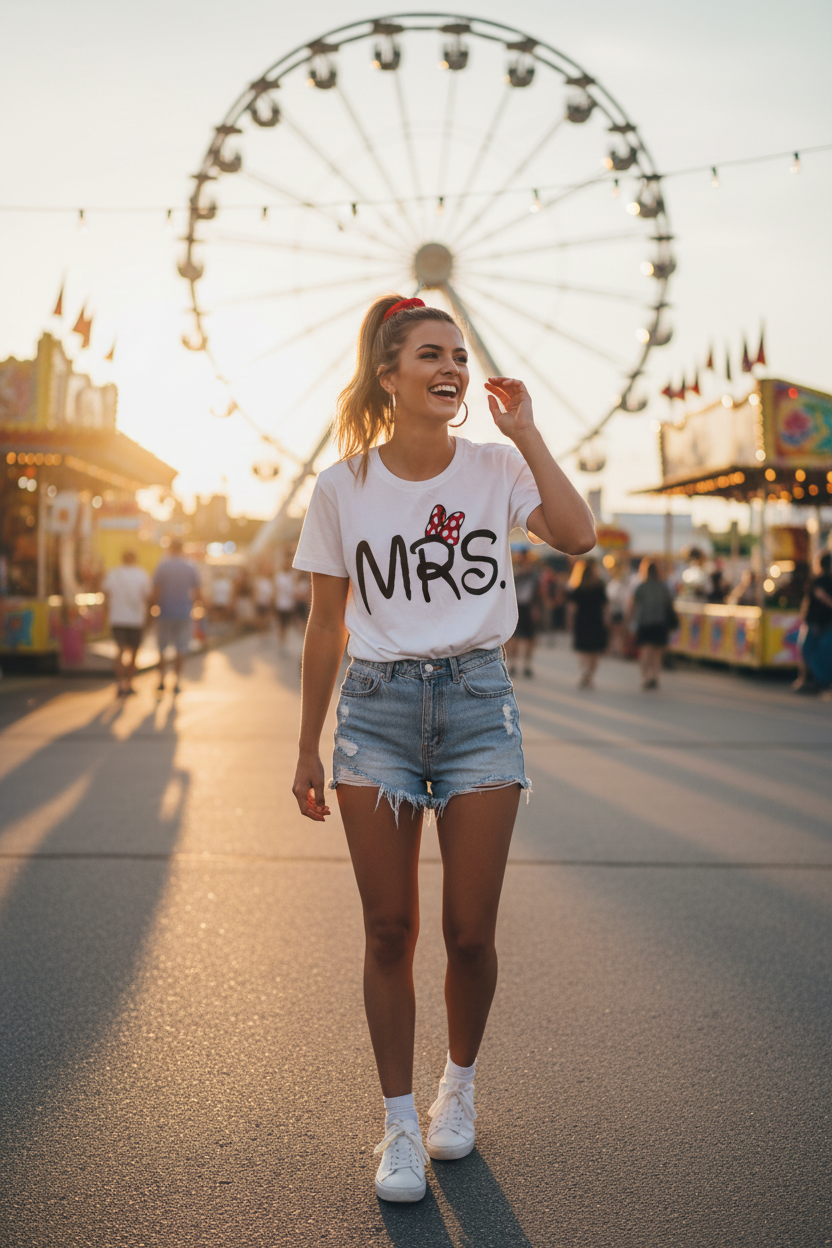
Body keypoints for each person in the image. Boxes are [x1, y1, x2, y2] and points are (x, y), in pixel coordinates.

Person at [290, 294, 595, 1204]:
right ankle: (396, 1127)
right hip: (377, 712)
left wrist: (530, 433)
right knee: (389, 930)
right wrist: (306, 746)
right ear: (389, 374)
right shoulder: (342, 487)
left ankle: (455, 1089)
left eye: (458, 354)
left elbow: (577, 536)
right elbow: (323, 624)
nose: (451, 367)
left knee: (469, 932)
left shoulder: (498, 468)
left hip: (476, 702)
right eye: (431, 354)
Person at [152, 538, 201, 694]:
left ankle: (161, 680)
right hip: (184, 613)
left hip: (165, 612)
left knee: (162, 649)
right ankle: (177, 681)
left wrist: (151, 610)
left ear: (170, 549)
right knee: (181, 648)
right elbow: (197, 592)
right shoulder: (190, 567)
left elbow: (156, 591)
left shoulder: (162, 567)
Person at [102, 549, 152, 697]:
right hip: (135, 620)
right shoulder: (142, 574)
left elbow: (106, 595)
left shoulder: (113, 574)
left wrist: (106, 615)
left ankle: (119, 683)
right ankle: (129, 682)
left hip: (117, 618)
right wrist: (149, 618)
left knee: (120, 651)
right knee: (134, 652)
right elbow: (148, 597)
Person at [629, 559, 674, 690]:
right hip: (660, 622)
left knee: (646, 651)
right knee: (657, 652)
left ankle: (645, 676)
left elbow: (632, 606)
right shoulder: (663, 587)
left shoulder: (641, 587)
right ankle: (655, 676)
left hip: (645, 622)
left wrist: (630, 622)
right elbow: (669, 604)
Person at [567, 558, 608, 689]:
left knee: (583, 649)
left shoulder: (578, 588)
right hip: (596, 621)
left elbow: (572, 609)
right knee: (595, 650)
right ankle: (590, 674)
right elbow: (606, 606)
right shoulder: (599, 587)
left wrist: (570, 621)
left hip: (582, 621)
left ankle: (584, 670)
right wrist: (607, 620)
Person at [798, 551, 832, 693]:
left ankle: (818, 681)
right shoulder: (819, 581)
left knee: (809, 650)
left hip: (818, 623)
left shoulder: (819, 581)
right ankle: (812, 680)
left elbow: (814, 604)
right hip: (821, 622)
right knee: (815, 651)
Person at [505, 549, 540, 676]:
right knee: (514, 638)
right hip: (515, 606)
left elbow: (538, 592)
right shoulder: (513, 571)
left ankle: (527, 664)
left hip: (528, 606)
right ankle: (513, 663)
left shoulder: (534, 574)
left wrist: (536, 607)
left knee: (529, 638)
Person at [274, 556, 298, 646]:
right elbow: (276, 590)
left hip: (288, 604)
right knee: (281, 623)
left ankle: (283, 639)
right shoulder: (279, 576)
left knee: (286, 624)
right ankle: (281, 640)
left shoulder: (292, 576)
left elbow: (294, 590)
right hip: (280, 604)